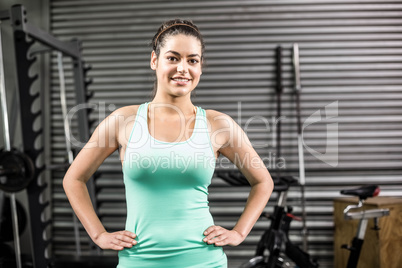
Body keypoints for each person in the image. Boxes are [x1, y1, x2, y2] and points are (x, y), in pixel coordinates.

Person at [63, 19, 274, 268]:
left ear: (200, 67)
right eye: (173, 58)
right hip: (139, 261)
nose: (183, 68)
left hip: (203, 261)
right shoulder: (124, 120)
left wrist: (239, 233)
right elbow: (73, 179)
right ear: (155, 60)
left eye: (192, 60)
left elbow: (263, 181)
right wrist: (98, 234)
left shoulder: (219, 125)